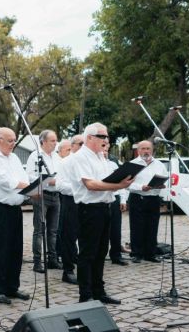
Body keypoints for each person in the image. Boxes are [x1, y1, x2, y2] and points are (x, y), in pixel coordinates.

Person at [67, 122, 134, 304]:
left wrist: (124, 178)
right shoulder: (80, 157)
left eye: (106, 136)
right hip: (89, 209)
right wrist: (119, 185)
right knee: (88, 253)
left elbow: (105, 181)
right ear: (90, 137)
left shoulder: (101, 157)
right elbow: (92, 184)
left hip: (105, 207)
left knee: (101, 252)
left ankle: (98, 291)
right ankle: (86, 295)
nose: (106, 140)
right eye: (102, 136)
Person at [0, 127, 30, 305]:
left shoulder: (14, 157)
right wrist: (28, 188)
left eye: (14, 140)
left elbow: (23, 177)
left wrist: (28, 191)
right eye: (10, 140)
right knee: (0, 250)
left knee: (15, 250)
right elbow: (4, 181)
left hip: (14, 209)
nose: (13, 143)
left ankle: (12, 287)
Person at [26, 130, 61, 273]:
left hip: (56, 196)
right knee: (39, 230)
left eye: (56, 140)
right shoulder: (35, 156)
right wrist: (47, 182)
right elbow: (30, 176)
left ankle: (52, 259)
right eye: (52, 140)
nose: (55, 143)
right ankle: (37, 262)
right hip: (42, 195)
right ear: (43, 142)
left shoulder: (57, 157)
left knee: (53, 230)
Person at [127, 140, 168, 263]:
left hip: (153, 199)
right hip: (137, 198)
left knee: (152, 226)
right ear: (138, 150)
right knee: (136, 227)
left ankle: (150, 254)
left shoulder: (159, 164)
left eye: (148, 149)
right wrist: (141, 187)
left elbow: (166, 178)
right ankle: (137, 254)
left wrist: (162, 185)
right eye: (143, 148)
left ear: (152, 150)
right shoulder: (132, 164)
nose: (146, 151)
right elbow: (126, 184)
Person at [55, 137, 79, 284]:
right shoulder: (65, 162)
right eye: (80, 144)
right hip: (71, 202)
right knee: (69, 237)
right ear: (73, 146)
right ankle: (68, 270)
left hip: (89, 202)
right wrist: (82, 188)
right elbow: (60, 185)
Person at [103, 142, 129, 266]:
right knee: (102, 230)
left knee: (116, 229)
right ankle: (100, 255)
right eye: (103, 149)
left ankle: (116, 255)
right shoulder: (94, 165)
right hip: (101, 200)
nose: (105, 152)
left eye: (107, 149)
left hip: (115, 199)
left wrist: (123, 200)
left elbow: (121, 184)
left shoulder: (113, 164)